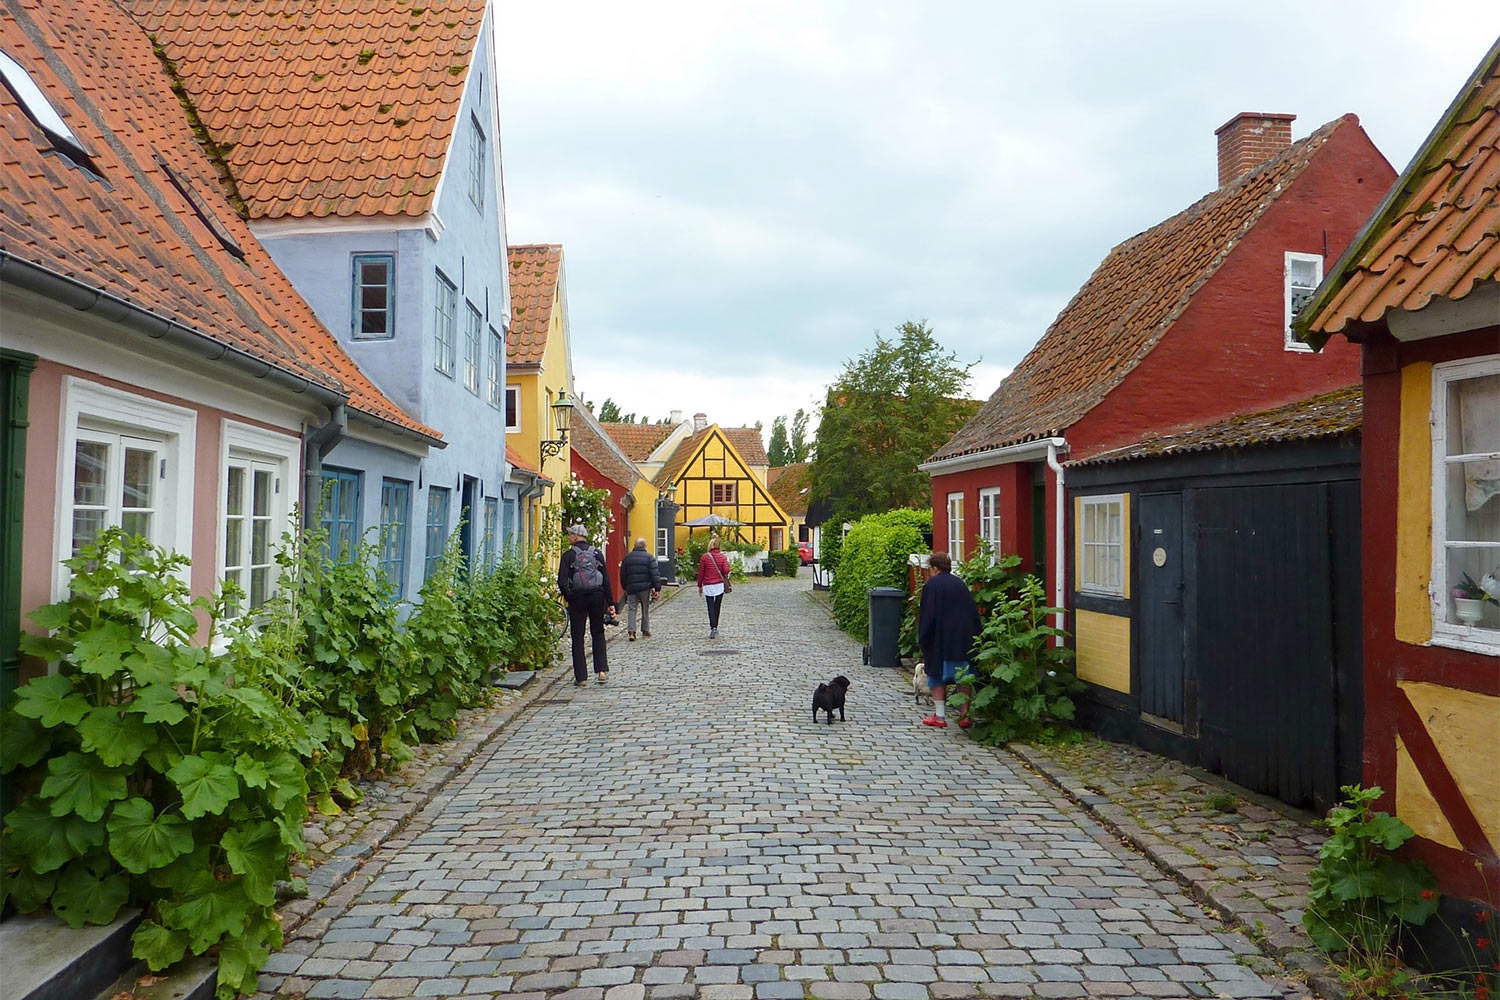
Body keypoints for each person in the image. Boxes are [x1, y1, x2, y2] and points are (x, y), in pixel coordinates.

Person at [916, 551, 981, 728]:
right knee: (963, 677)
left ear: (935, 568)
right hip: (962, 638)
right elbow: (973, 613)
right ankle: (965, 715)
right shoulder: (960, 584)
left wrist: (923, 637)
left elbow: (928, 615)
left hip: (940, 639)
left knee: (936, 675)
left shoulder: (932, 585)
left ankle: (939, 716)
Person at [558, 523, 615, 686]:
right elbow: (606, 578)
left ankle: (581, 677)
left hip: (578, 598)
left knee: (578, 636)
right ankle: (602, 671)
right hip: (597, 596)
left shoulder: (568, 555)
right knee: (598, 632)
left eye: (570, 535)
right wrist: (610, 602)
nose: (568, 537)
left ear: (576, 536)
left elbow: (561, 580)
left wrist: (569, 596)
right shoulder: (597, 553)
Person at [619, 537, 662, 640]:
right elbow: (654, 574)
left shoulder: (627, 558)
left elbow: (622, 574)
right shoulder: (649, 557)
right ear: (645, 546)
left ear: (635, 546)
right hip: (645, 587)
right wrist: (657, 589)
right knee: (645, 608)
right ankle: (645, 630)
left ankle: (631, 631)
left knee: (632, 609)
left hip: (632, 587)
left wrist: (624, 586)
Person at [697, 537, 732, 638]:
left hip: (708, 585)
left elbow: (701, 573)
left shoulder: (705, 557)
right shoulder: (722, 557)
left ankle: (713, 627)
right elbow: (726, 570)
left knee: (710, 607)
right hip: (719, 585)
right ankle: (715, 627)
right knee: (717, 606)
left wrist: (699, 586)